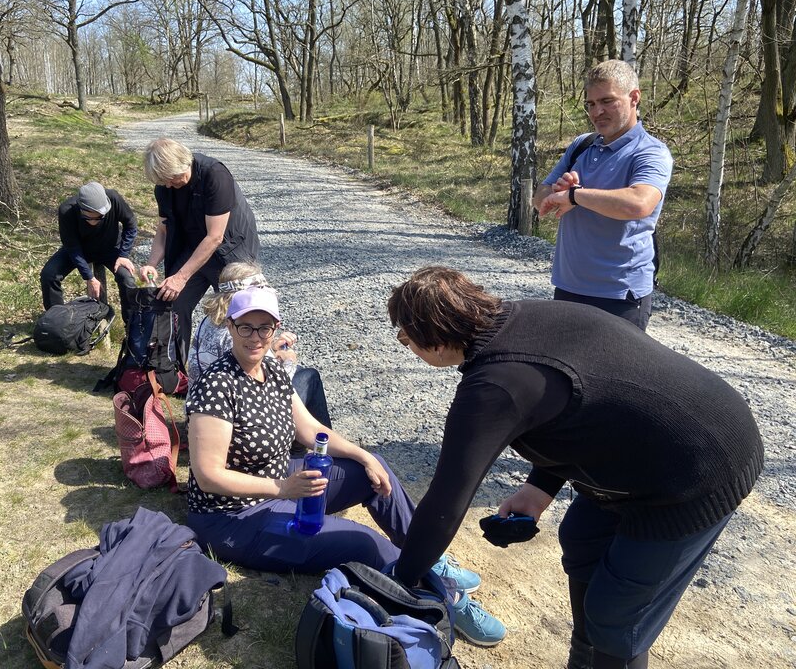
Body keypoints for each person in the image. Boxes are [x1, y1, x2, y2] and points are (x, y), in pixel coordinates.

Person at [387, 266, 764, 669]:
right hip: (651, 448)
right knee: (581, 538)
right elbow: (587, 402)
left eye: (406, 339)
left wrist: (399, 585)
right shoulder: (521, 319)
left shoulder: (494, 386)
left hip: (697, 470)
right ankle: (586, 660)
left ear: (438, 343)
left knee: (618, 617)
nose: (404, 344)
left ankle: (609, 654)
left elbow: (445, 503)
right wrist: (540, 487)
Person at [185, 285, 507, 647]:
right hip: (234, 517)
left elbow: (310, 429)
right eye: (246, 327)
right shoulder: (217, 384)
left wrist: (364, 455)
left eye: (265, 328)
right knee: (365, 543)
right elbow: (207, 475)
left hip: (279, 483)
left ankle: (429, 556)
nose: (256, 337)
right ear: (230, 326)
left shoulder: (271, 370)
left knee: (374, 472)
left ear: (275, 329)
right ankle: (445, 599)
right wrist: (282, 489)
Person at [532, 60, 673, 330]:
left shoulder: (651, 152)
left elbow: (638, 204)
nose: (598, 111)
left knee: (613, 373)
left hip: (620, 296)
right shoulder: (581, 145)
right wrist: (558, 193)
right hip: (568, 287)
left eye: (607, 101)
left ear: (634, 98)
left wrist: (575, 197)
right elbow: (540, 197)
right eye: (591, 104)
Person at [140, 138, 260, 360]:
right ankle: (175, 372)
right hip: (193, 247)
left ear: (182, 164)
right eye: (163, 181)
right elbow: (164, 229)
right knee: (172, 302)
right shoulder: (165, 187)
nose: (168, 185)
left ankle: (236, 373)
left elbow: (215, 237)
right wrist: (151, 263)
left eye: (171, 178)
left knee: (236, 313)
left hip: (231, 249)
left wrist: (180, 277)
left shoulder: (215, 175)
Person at [189, 261, 332, 429]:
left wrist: (272, 348)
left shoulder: (211, 320)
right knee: (309, 376)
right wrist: (288, 360)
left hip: (198, 407)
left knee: (301, 373)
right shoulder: (231, 334)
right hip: (235, 416)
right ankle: (315, 444)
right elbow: (272, 382)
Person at [40, 181, 137, 322]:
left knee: (126, 279)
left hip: (110, 249)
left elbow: (131, 224)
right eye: (94, 217)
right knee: (48, 275)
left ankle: (132, 327)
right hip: (79, 250)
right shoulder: (67, 210)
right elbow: (72, 247)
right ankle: (58, 322)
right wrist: (89, 277)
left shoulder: (113, 198)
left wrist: (123, 255)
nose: (99, 219)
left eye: (102, 216)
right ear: (82, 210)